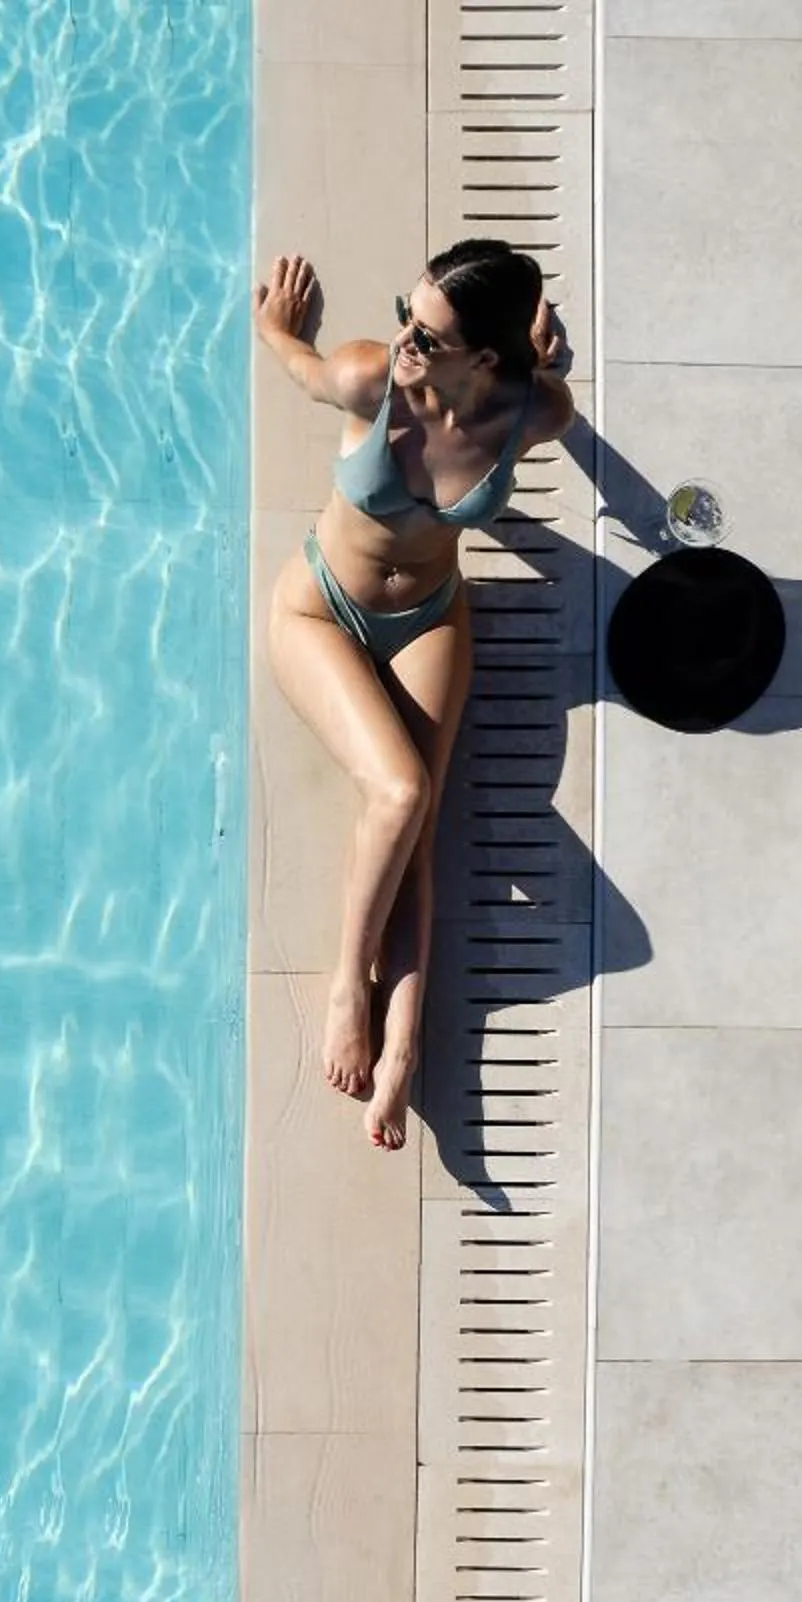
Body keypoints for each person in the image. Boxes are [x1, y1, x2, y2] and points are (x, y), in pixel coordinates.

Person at [251, 238, 574, 1149]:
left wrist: (545, 360)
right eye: (406, 315)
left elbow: (554, 394)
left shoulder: (528, 411)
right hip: (321, 610)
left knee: (420, 830)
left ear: (488, 359)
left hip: (432, 616)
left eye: (428, 338)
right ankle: (349, 985)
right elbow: (301, 365)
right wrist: (279, 329)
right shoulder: (370, 380)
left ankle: (401, 1053)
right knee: (400, 794)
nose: (405, 344)